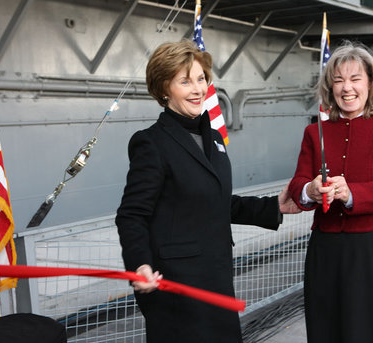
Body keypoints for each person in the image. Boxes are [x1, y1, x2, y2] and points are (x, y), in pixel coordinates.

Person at [115, 40, 300, 343]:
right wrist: (140, 265)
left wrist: (273, 207)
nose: (198, 89)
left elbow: (213, 202)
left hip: (216, 277)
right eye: (185, 81)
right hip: (177, 286)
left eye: (201, 79)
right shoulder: (151, 142)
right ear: (164, 88)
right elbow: (131, 214)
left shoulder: (212, 137)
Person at [285, 42, 373, 343]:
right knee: (326, 328)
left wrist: (351, 193)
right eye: (338, 80)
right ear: (329, 86)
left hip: (372, 251)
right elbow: (297, 184)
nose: (347, 88)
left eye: (355, 78)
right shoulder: (314, 132)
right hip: (325, 251)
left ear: (370, 83)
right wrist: (310, 190)